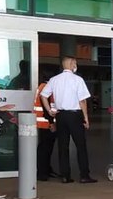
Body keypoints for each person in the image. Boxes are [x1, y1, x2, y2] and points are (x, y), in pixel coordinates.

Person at [40, 56, 95, 184]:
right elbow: (82, 100)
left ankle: (65, 176)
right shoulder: (78, 80)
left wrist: (49, 110)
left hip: (60, 116)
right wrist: (86, 118)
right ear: (72, 64)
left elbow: (43, 95)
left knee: (63, 146)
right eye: (75, 63)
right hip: (74, 115)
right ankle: (84, 175)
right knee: (80, 145)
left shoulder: (54, 80)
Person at [34, 74, 59, 181]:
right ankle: (42, 173)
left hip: (43, 123)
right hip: (45, 123)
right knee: (45, 149)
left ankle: (46, 170)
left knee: (46, 148)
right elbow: (46, 108)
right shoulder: (46, 88)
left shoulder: (42, 86)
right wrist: (51, 123)